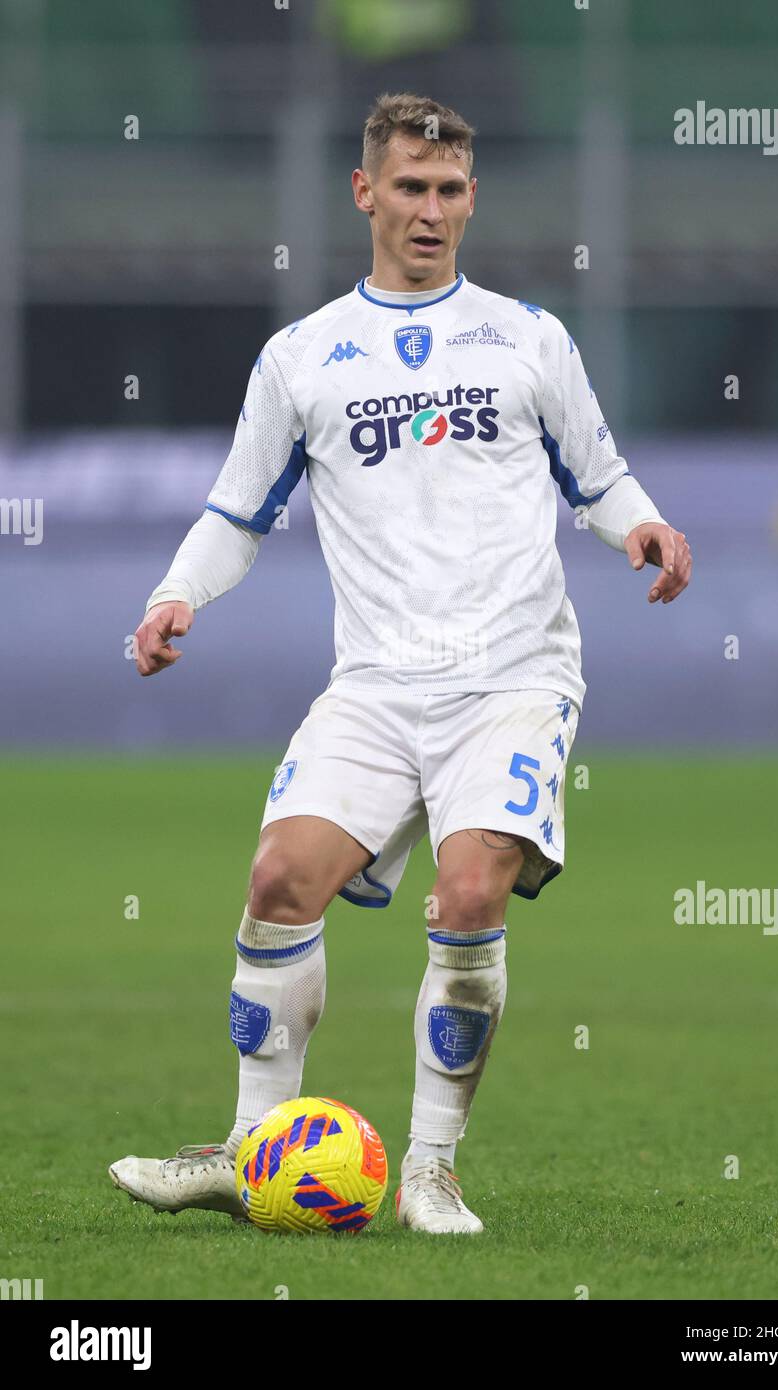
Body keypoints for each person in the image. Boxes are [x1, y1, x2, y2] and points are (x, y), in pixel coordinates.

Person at [109, 92, 692, 1235]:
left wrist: (644, 525)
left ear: (472, 198)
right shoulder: (302, 356)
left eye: (449, 189)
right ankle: (246, 1148)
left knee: (470, 890)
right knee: (279, 881)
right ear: (364, 192)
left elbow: (597, 471)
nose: (430, 210)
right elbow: (239, 511)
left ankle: (428, 1167)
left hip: (513, 675)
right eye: (409, 187)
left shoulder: (528, 337)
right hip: (375, 685)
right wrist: (175, 593)